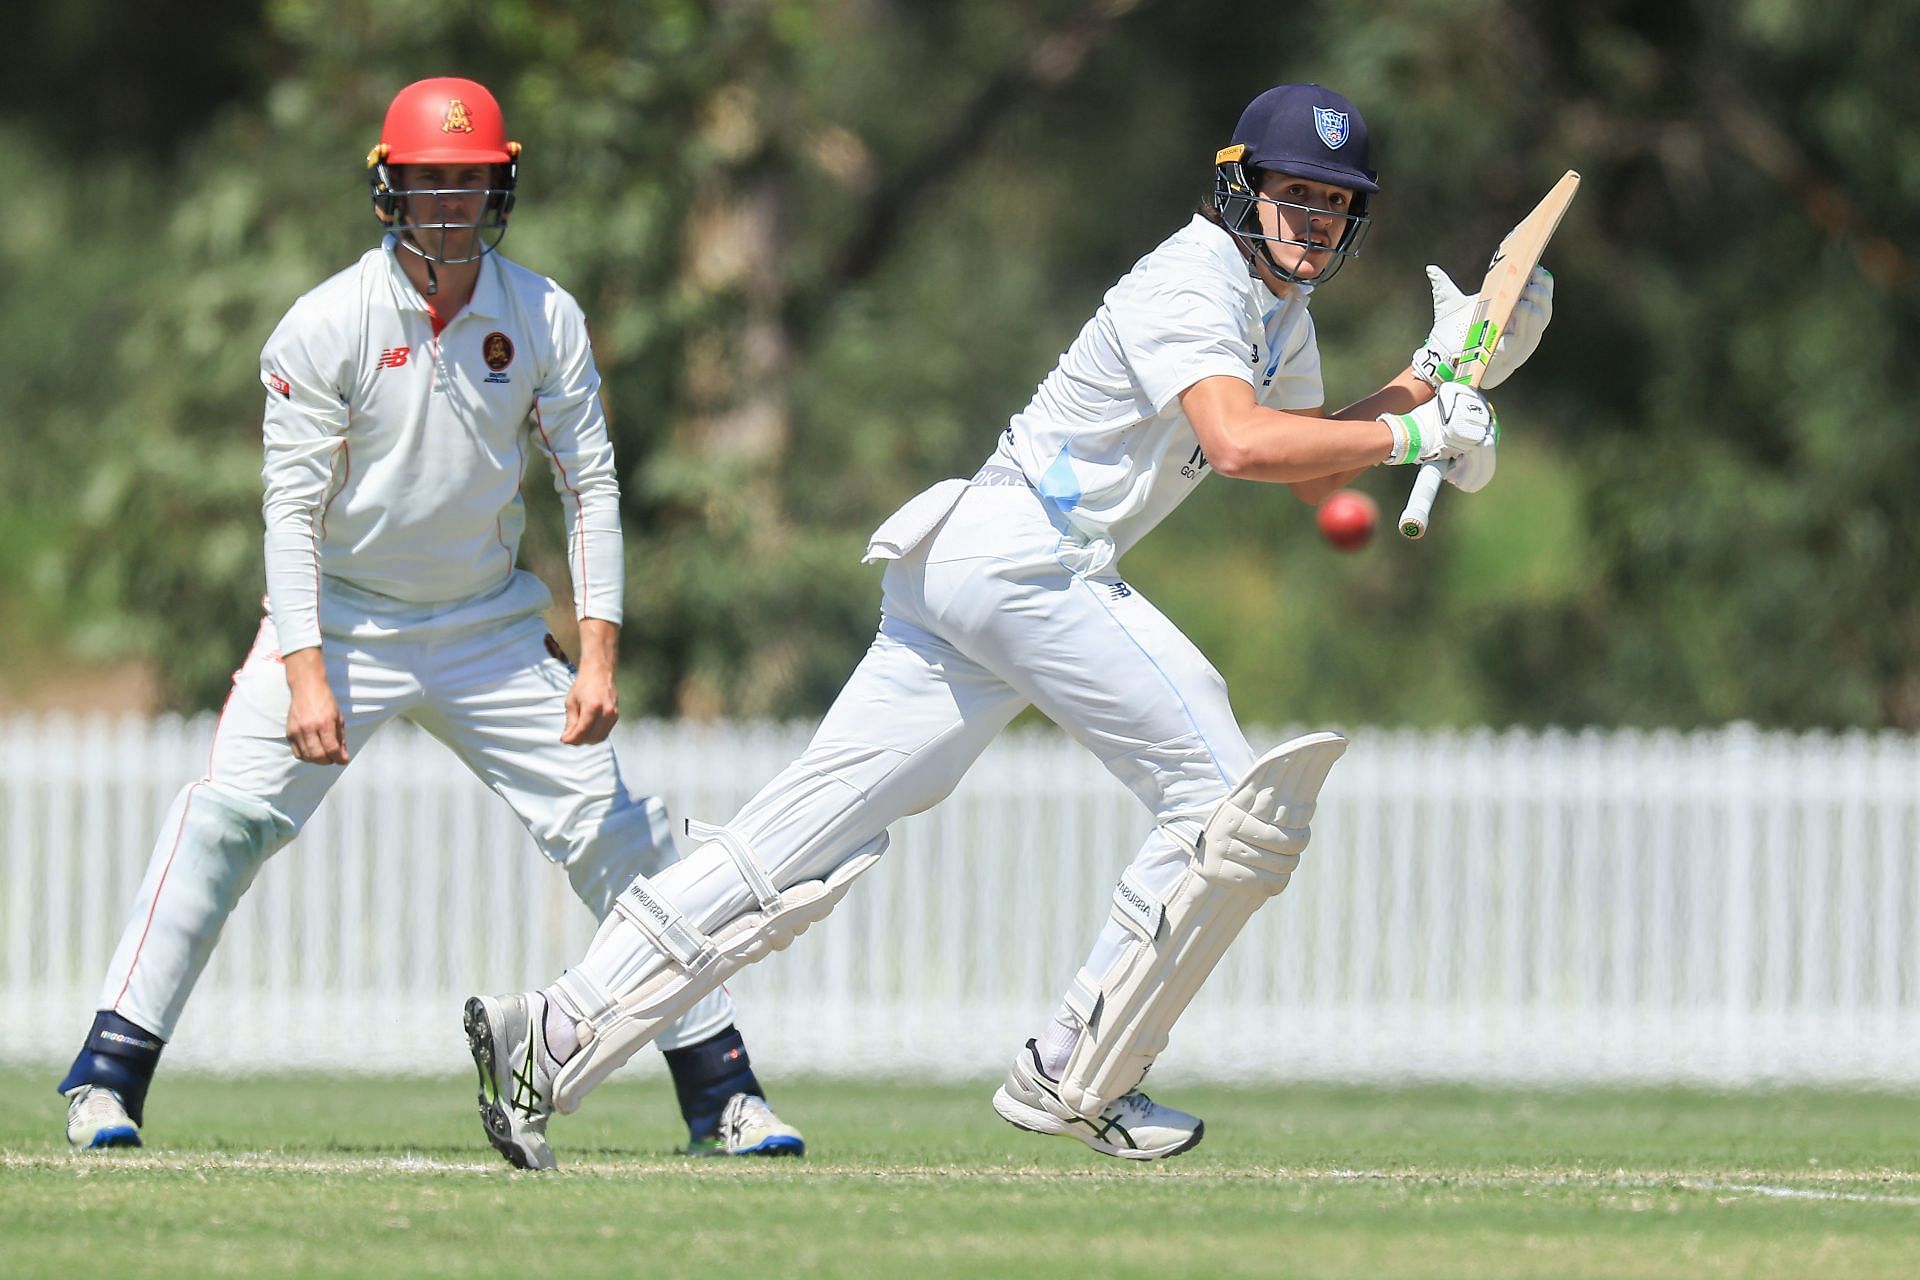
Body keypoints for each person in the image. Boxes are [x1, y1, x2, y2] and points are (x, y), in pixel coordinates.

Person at [462, 82, 1554, 1167]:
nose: (1312, 219)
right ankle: (1081, 1067)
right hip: (1025, 557)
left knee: (792, 844)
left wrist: (1433, 379)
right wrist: (1413, 441)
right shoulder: (1196, 276)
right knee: (1229, 800)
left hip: (973, 564)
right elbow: (1239, 445)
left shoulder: (1280, 313)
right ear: (1240, 189)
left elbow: (1307, 459)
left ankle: (547, 1031)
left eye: (1333, 201)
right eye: (1294, 194)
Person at [59, 77, 804, 1164]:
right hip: (346, 620)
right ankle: (104, 1075)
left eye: (467, 181)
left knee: (622, 836)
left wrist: (598, 655)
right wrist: (307, 672)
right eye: (427, 183)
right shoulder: (324, 325)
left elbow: (588, 484)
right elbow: (291, 511)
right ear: (387, 190)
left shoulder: (543, 315)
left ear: (499, 185)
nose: (448, 205)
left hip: (491, 629)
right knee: (221, 823)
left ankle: (722, 1093)